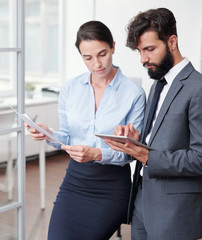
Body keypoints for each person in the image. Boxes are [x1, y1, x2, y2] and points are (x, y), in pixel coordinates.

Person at [104, 8, 202, 240]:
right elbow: (159, 139)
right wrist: (134, 139)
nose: (143, 59)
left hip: (176, 212)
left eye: (149, 49)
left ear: (172, 41)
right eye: (140, 51)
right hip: (142, 202)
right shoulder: (157, 85)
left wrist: (147, 156)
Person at [25, 21, 146, 240]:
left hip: (111, 188)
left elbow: (132, 152)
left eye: (102, 54)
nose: (96, 64)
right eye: (87, 58)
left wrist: (97, 154)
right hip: (74, 183)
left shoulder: (134, 94)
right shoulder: (70, 89)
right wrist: (48, 133)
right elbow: (68, 137)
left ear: (113, 47)